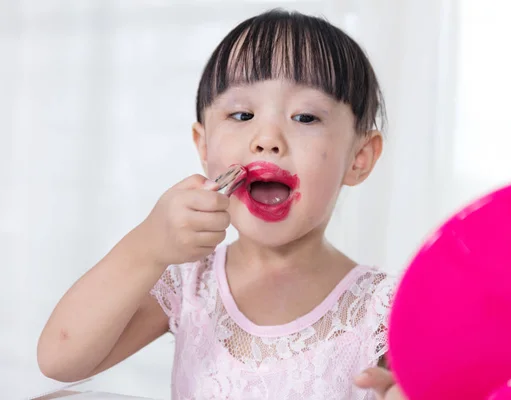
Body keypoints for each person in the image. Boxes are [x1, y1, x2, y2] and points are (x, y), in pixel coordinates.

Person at [38, 9, 405, 400]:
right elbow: (60, 360)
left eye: (305, 116)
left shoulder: (385, 311)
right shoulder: (190, 281)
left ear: (359, 157)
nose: (267, 138)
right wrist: (146, 246)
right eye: (242, 114)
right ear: (204, 145)